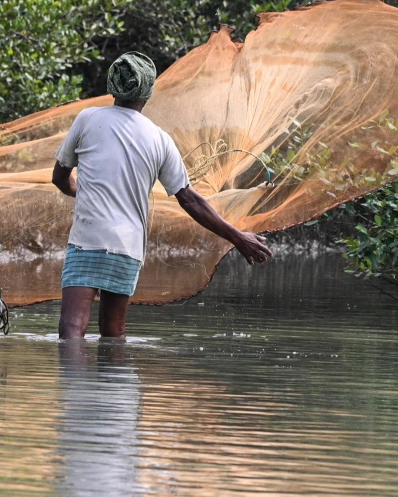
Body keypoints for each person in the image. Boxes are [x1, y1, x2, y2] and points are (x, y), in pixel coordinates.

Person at [52, 51, 272, 339]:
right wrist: (238, 236)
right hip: (127, 248)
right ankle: (115, 385)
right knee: (113, 333)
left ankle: (74, 383)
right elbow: (190, 200)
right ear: (148, 92)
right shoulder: (159, 139)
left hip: (88, 241)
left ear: (112, 86)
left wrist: (78, 190)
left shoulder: (88, 119)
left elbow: (59, 177)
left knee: (72, 328)